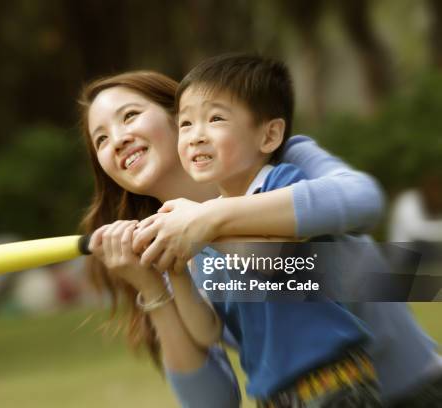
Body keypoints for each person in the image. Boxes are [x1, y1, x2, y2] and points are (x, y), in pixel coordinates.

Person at [78, 69, 442, 407]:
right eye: (101, 139)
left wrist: (210, 220)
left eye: (129, 116)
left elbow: (364, 200)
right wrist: (154, 290)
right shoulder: (169, 252)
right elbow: (214, 401)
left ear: (180, 116)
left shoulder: (281, 160)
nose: (118, 139)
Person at [143, 53, 380, 406]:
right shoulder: (201, 228)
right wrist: (176, 269)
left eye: (216, 119)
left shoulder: (281, 185)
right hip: (273, 396)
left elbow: (270, 259)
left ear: (269, 135)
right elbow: (208, 331)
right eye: (186, 124)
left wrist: (201, 228)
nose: (195, 136)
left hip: (332, 380)